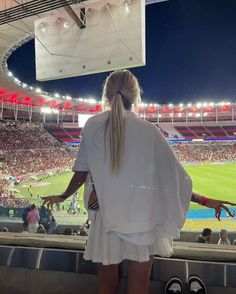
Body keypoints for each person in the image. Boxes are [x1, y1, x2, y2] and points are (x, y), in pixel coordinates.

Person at [42, 70, 236, 294]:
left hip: (104, 218)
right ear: (135, 97)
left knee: (107, 287)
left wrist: (64, 196)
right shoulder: (149, 131)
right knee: (138, 287)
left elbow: (81, 172)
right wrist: (204, 200)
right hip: (140, 218)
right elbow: (171, 181)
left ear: (105, 95)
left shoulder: (92, 125)